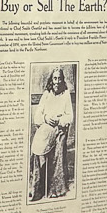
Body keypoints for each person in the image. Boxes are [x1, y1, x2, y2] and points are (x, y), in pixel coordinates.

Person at [30, 67, 73, 200]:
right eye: (55, 78)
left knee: (58, 145)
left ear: (62, 80)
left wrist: (60, 120)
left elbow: (69, 116)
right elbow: (38, 115)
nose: (57, 81)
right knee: (37, 147)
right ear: (51, 80)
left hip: (59, 130)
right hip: (46, 127)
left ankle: (54, 188)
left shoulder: (65, 94)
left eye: (60, 78)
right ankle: (38, 187)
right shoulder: (46, 94)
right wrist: (45, 118)